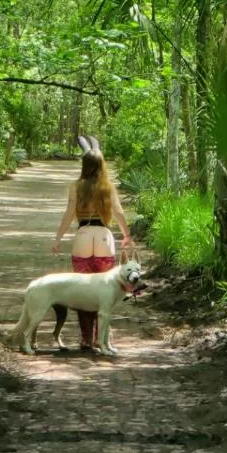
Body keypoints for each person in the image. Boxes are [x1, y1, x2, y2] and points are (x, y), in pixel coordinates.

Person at [51, 134, 133, 349]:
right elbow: (118, 212)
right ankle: (101, 338)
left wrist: (58, 238)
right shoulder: (108, 187)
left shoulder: (75, 186)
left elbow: (69, 214)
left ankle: (86, 338)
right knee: (105, 292)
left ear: (84, 165)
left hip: (83, 238)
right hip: (104, 238)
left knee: (83, 292)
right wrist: (127, 235)